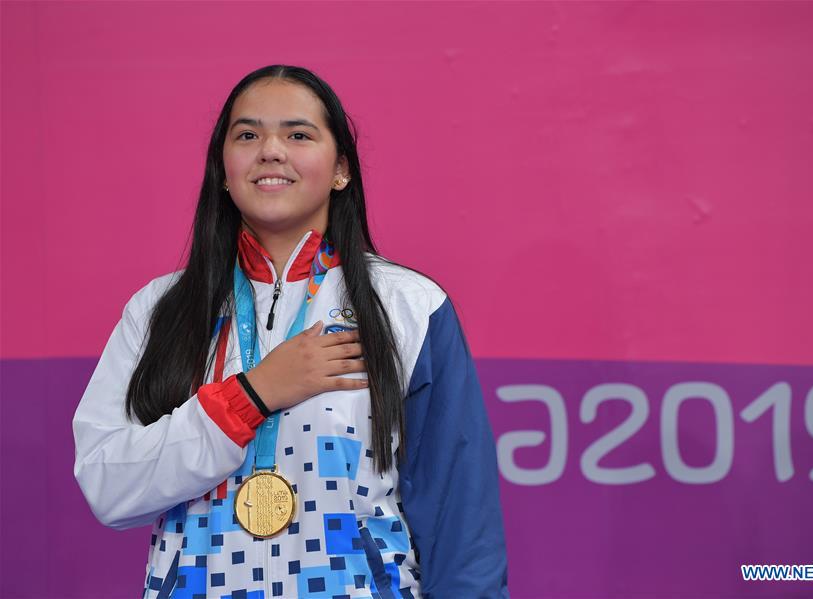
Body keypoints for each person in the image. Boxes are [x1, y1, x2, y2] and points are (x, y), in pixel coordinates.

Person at [72, 64, 509, 599]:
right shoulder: (159, 309)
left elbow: (459, 520)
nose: (271, 150)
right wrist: (250, 395)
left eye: (298, 134)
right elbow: (108, 487)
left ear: (341, 168)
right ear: (224, 169)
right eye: (248, 135)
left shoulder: (409, 306)